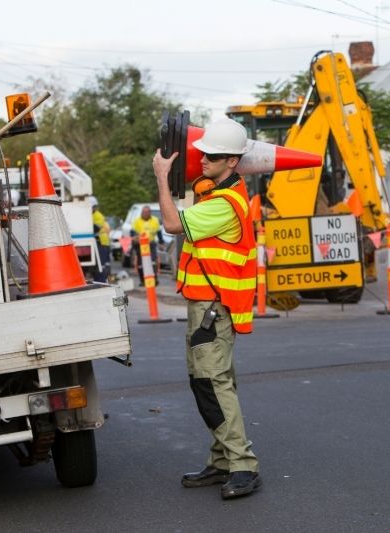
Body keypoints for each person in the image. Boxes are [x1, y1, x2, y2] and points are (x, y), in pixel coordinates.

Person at [152, 118, 261, 500]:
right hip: (210, 307)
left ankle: (243, 465)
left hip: (212, 310)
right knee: (213, 382)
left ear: (232, 161)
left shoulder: (224, 206)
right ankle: (222, 460)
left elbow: (171, 223)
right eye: (202, 153)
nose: (203, 160)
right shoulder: (221, 194)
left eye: (212, 156)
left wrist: (162, 176)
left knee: (212, 385)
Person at [132, 205, 162, 286]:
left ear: (150, 213)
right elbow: (133, 232)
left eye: (147, 212)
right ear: (142, 212)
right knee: (141, 264)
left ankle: (154, 279)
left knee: (153, 262)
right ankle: (142, 281)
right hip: (140, 244)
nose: (145, 213)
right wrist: (135, 239)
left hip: (151, 243)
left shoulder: (155, 220)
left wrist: (161, 242)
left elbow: (159, 232)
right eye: (144, 212)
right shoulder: (137, 221)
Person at [90, 196, 111, 283]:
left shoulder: (98, 216)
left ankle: (102, 282)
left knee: (101, 265)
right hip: (100, 242)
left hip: (102, 243)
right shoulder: (92, 215)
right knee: (100, 265)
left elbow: (94, 229)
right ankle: (100, 280)